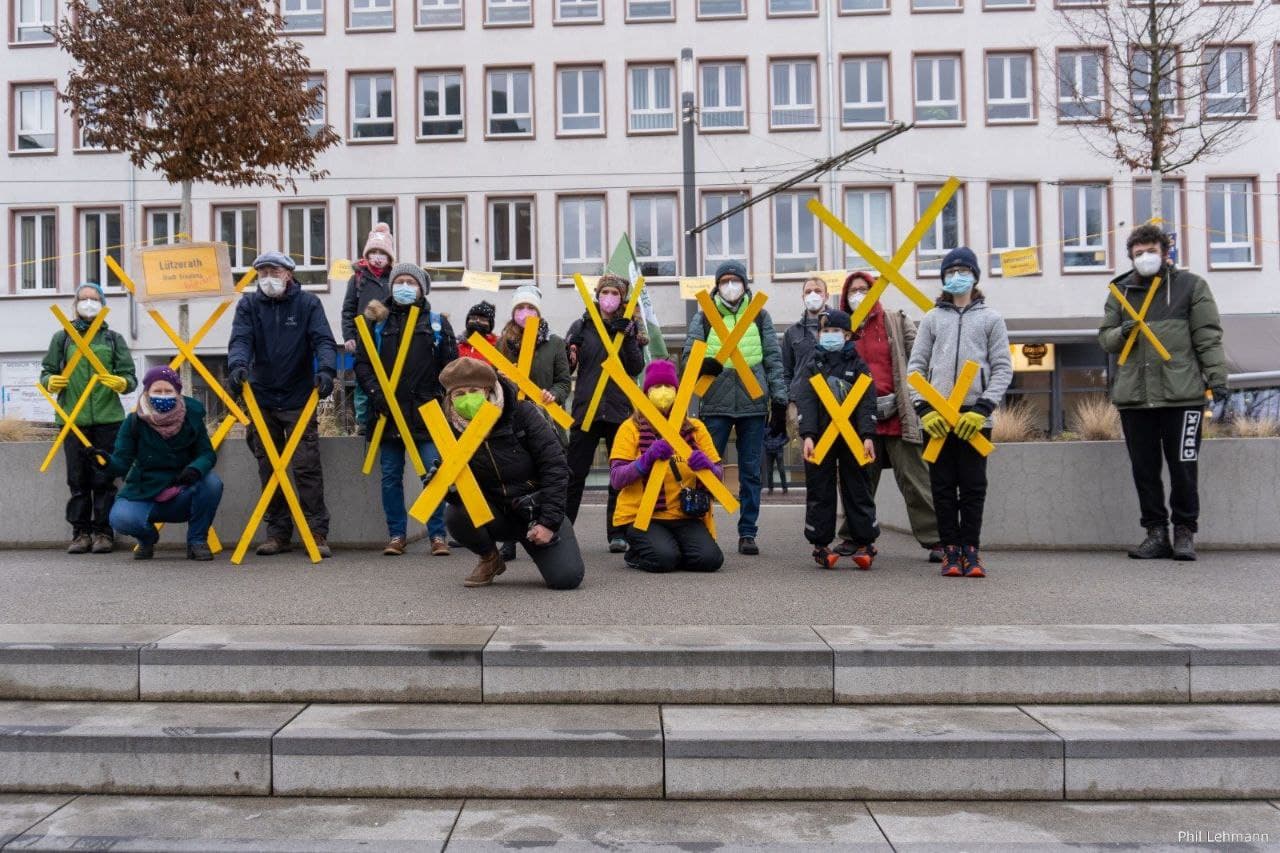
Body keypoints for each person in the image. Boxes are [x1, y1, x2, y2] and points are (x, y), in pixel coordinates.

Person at [1099, 223, 1227, 562]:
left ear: (1165, 253)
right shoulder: (1119, 291)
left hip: (1182, 396)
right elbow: (1105, 337)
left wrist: (1217, 379)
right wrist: (1122, 333)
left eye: (1151, 252)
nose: (1145, 258)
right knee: (1144, 469)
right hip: (1135, 398)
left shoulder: (1191, 287)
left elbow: (1208, 336)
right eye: (1138, 254)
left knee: (1183, 466)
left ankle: (1185, 532)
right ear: (1130, 257)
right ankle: (1155, 533)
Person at [434, 357, 585, 590]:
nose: (467, 399)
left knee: (566, 578)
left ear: (488, 390)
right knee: (455, 515)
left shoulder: (523, 415)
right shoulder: (451, 431)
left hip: (536, 510)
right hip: (496, 515)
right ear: (450, 398)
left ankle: (545, 539)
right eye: (459, 394)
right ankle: (489, 558)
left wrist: (548, 522)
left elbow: (556, 467)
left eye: (474, 390)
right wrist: (444, 486)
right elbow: (461, 492)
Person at [908, 247, 1012, 579]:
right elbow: (915, 368)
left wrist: (983, 407)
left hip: (974, 418)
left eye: (962, 270)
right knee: (940, 485)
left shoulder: (992, 319)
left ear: (975, 275)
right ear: (942, 278)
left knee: (972, 486)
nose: (956, 276)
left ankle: (971, 550)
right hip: (937, 417)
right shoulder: (931, 318)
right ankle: (950, 550)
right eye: (950, 271)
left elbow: (1002, 369)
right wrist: (923, 409)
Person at [228, 250, 339, 558]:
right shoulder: (249, 305)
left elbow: (324, 341)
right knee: (268, 466)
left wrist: (327, 371)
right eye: (262, 273)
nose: (268, 278)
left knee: (306, 465)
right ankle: (278, 532)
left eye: (274, 272)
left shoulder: (307, 304)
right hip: (262, 397)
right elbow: (240, 340)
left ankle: (316, 532)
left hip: (299, 396)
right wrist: (237, 365)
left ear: (289, 274)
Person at [681, 260, 787, 556]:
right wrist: (703, 363)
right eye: (725, 280)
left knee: (751, 471)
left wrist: (779, 400)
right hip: (715, 403)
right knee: (704, 468)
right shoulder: (704, 317)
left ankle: (748, 532)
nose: (730, 285)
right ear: (717, 285)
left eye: (735, 280)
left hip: (753, 405)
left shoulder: (760, 316)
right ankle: (700, 527)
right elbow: (689, 356)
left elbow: (773, 361)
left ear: (744, 283)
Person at [354, 263, 458, 558]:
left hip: (425, 412)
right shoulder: (377, 323)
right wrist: (376, 394)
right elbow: (362, 363)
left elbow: (451, 367)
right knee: (390, 476)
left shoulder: (437, 323)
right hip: (387, 414)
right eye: (398, 280)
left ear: (422, 288)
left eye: (410, 281)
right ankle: (397, 534)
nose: (404, 286)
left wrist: (440, 398)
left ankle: (437, 534)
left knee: (434, 473)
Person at [843, 271, 943, 563]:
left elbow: (921, 357)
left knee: (915, 479)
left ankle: (937, 539)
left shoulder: (897, 320)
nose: (859, 294)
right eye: (853, 290)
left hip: (899, 413)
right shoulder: (842, 329)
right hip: (861, 420)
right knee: (859, 482)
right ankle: (854, 536)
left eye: (864, 289)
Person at [40, 283, 137, 555]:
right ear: (75, 304)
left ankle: (104, 533)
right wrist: (51, 381)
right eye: (83, 299)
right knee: (77, 479)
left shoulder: (112, 339)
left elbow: (130, 377)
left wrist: (121, 382)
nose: (89, 303)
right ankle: (80, 533)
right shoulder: (63, 338)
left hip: (108, 418)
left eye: (94, 299)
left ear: (103, 303)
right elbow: (46, 371)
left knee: (104, 478)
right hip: (73, 419)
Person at [608, 359, 725, 573]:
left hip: (685, 514)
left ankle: (672, 548)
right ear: (645, 392)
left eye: (669, 387)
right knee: (664, 560)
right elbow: (617, 479)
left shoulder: (696, 429)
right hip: (643, 515)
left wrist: (707, 465)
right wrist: (646, 459)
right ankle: (637, 553)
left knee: (710, 560)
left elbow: (719, 477)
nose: (663, 392)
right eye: (656, 387)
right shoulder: (630, 428)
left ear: (677, 392)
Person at [102, 367, 223, 561]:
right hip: (144, 491)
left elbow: (207, 453)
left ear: (177, 392)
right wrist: (104, 462)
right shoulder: (133, 422)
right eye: (157, 391)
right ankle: (147, 538)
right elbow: (121, 463)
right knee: (120, 519)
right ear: (147, 392)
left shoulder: (192, 417)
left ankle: (197, 541)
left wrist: (195, 469)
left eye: (169, 391)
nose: (163, 396)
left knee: (212, 483)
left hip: (182, 490)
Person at [564, 273, 648, 553]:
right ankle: (563, 530)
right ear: (597, 295)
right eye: (604, 293)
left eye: (614, 293)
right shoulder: (581, 325)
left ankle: (618, 532)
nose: (608, 298)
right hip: (586, 410)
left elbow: (636, 368)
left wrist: (627, 338)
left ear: (622, 299)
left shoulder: (629, 328)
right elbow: (568, 368)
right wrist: (570, 351)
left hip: (618, 411)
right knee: (574, 475)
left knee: (619, 475)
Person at [794, 310, 880, 570]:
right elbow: (806, 401)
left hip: (852, 436)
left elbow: (867, 402)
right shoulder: (812, 365)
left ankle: (865, 542)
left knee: (858, 487)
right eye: (824, 331)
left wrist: (868, 436)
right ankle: (820, 544)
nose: (829, 335)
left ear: (846, 335)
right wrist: (807, 435)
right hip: (821, 437)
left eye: (835, 331)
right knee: (820, 489)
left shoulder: (858, 364)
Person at [495, 284, 571, 560]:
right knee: (513, 477)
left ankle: (548, 529)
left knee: (548, 476)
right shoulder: (501, 343)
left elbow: (564, 381)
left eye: (530, 308)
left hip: (547, 420)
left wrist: (556, 394)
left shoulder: (555, 342)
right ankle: (510, 540)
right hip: (513, 421)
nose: (525, 313)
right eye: (520, 308)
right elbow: (492, 384)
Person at [341, 222, 396, 431]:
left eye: (382, 252)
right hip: (363, 340)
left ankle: (388, 419)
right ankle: (362, 422)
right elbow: (348, 310)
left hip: (389, 339)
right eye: (373, 252)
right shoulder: (357, 279)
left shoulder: (395, 278)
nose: (377, 256)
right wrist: (349, 336)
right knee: (363, 381)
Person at [781, 276, 829, 388]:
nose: (813, 295)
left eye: (818, 291)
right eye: (808, 292)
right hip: (800, 400)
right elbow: (785, 372)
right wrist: (790, 400)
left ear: (826, 296)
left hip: (831, 399)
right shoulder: (791, 332)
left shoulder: (838, 328)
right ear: (803, 297)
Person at [763, 426, 789, 495]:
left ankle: (785, 488)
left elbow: (787, 438)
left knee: (781, 470)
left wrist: (780, 444)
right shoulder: (765, 428)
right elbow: (762, 439)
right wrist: (767, 445)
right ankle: (770, 489)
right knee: (769, 471)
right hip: (769, 452)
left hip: (779, 452)